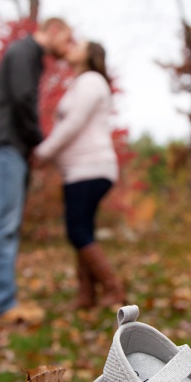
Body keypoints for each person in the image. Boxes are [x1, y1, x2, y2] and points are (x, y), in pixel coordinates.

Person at [0, 17, 73, 323]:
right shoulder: (26, 51)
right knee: (3, 225)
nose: (67, 48)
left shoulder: (26, 53)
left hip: (8, 146)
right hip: (7, 146)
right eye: (67, 40)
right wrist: (39, 142)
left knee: (2, 225)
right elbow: (23, 98)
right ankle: (1, 304)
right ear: (53, 29)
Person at [34, 40, 125, 309]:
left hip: (89, 168)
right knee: (82, 230)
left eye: (79, 44)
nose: (71, 46)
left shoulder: (91, 80)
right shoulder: (81, 83)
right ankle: (87, 296)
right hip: (79, 170)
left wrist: (43, 152)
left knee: (77, 232)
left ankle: (113, 290)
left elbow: (73, 123)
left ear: (90, 54)